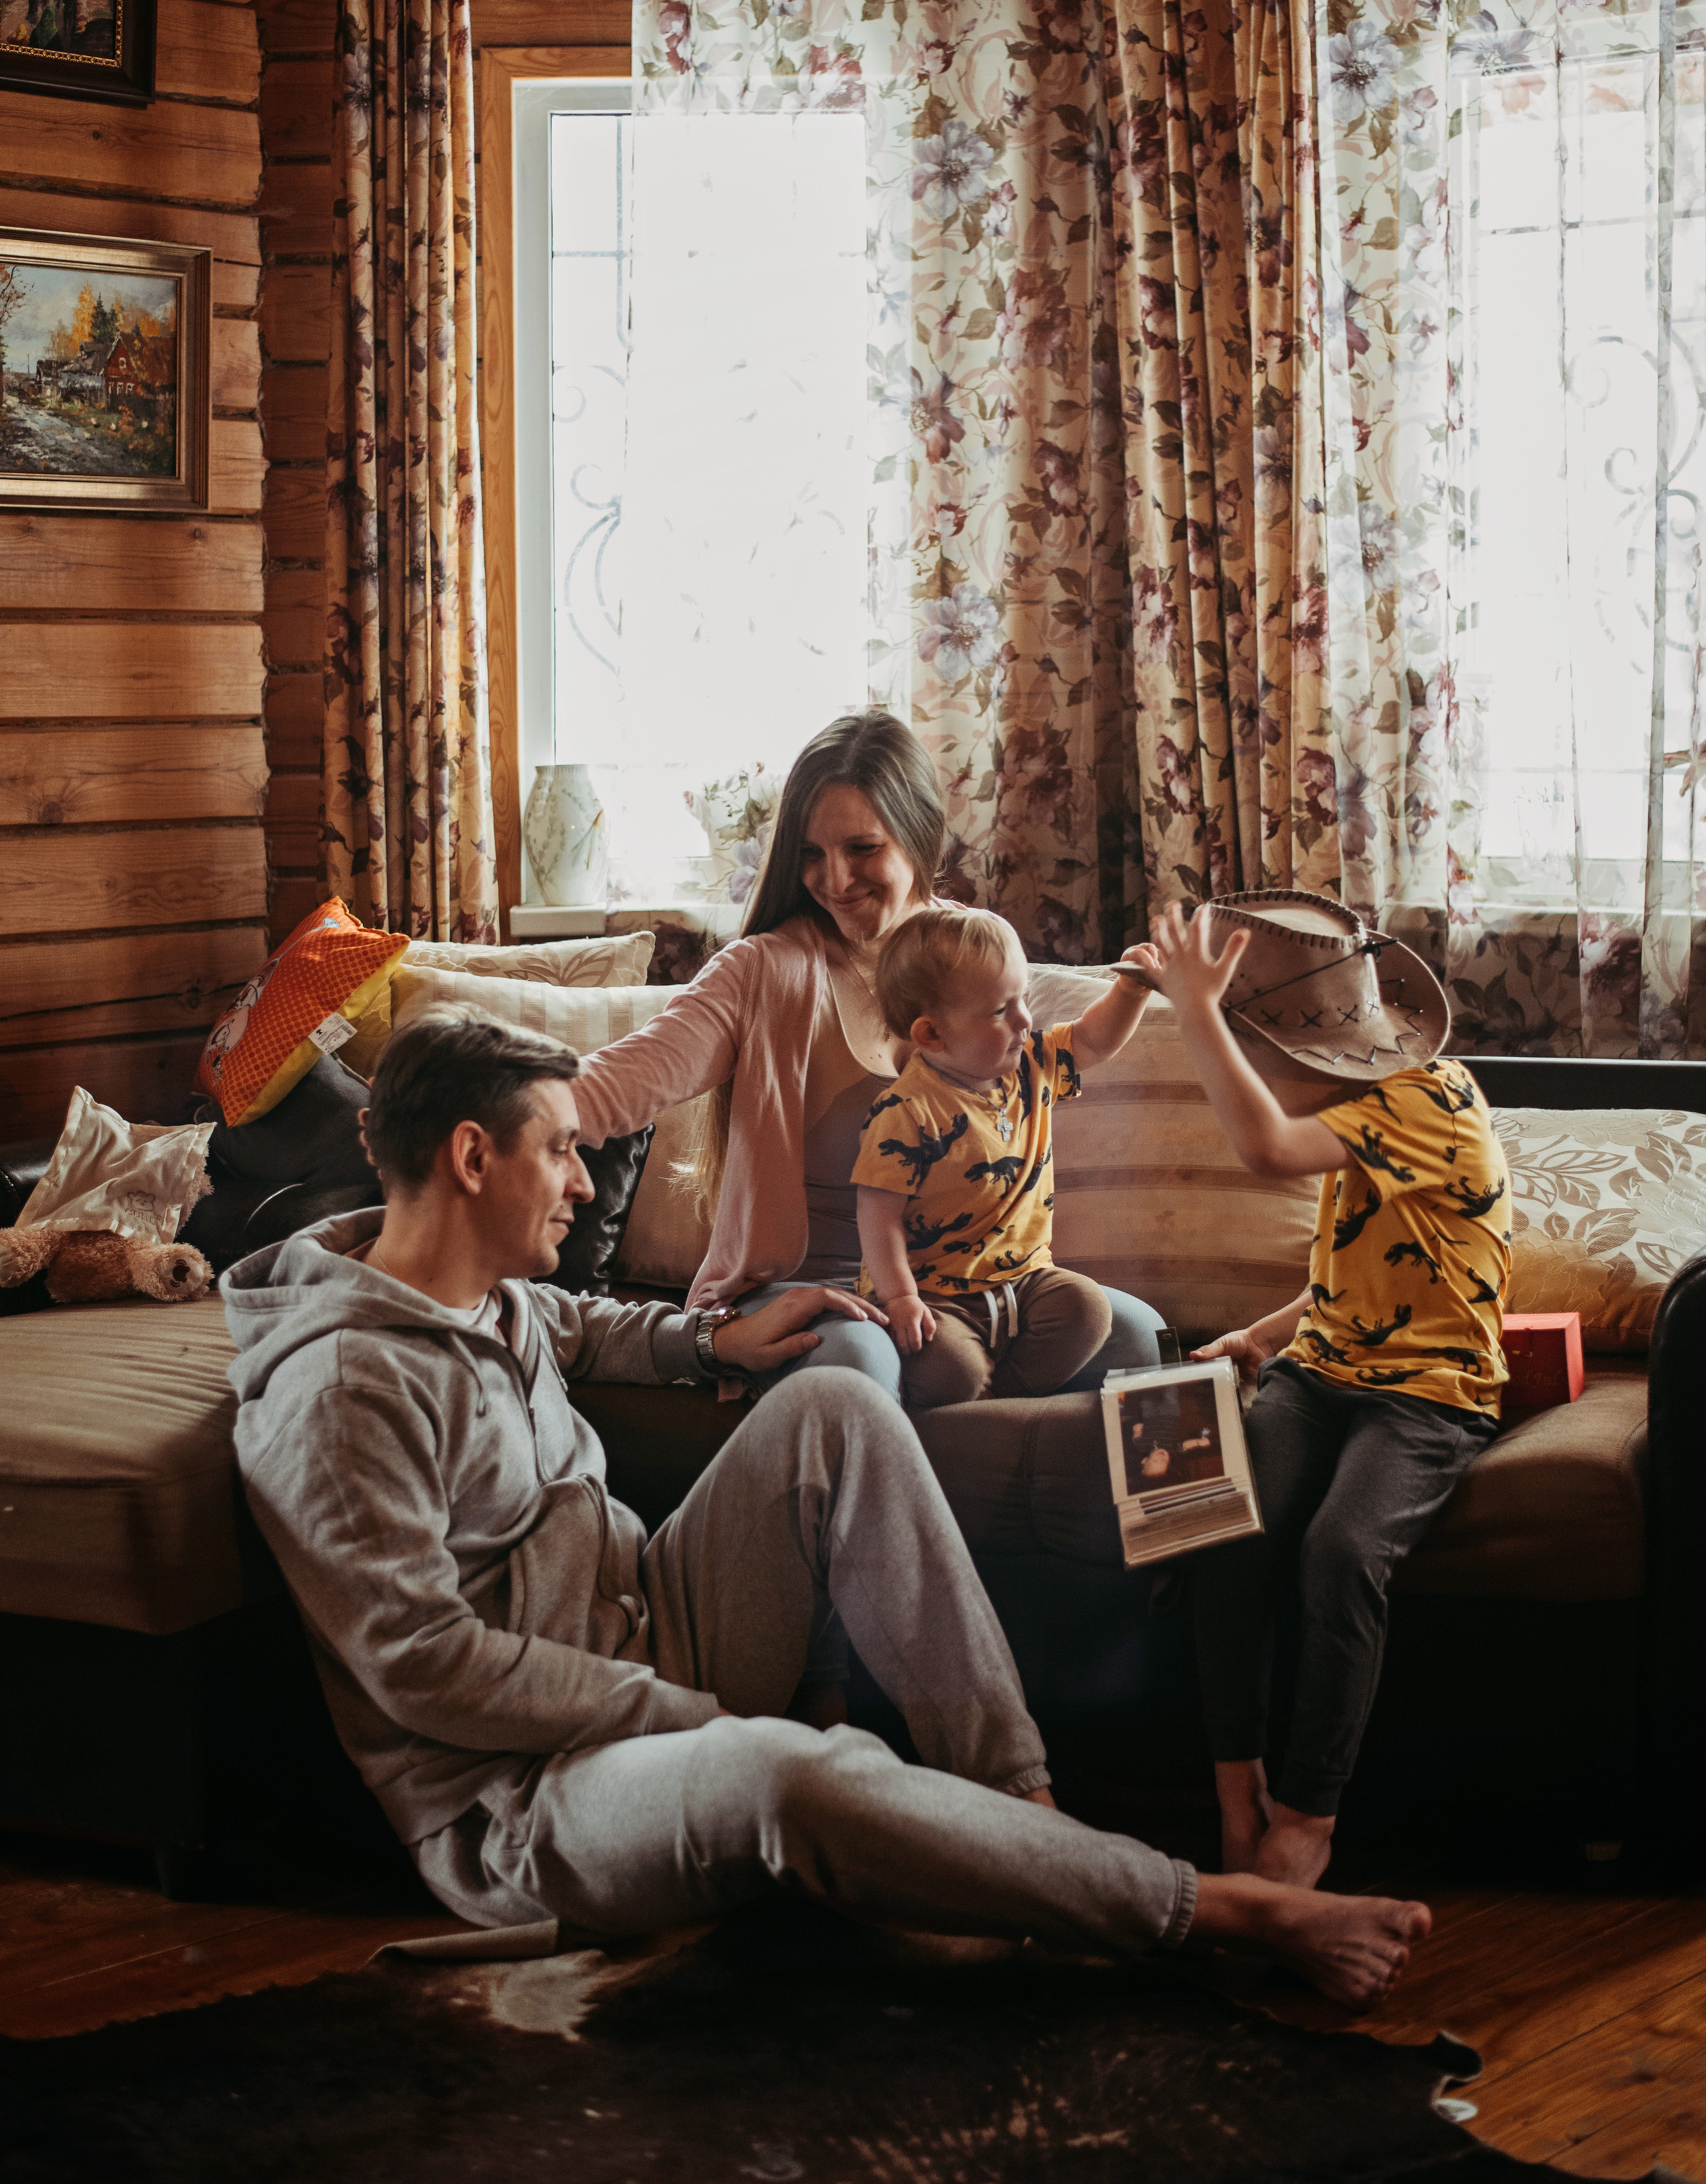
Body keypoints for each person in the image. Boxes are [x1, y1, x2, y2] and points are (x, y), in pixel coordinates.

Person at [223, 1006, 1432, 2003]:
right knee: (786, 1779)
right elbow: (422, 1666)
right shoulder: (340, 1387)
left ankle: (1030, 1821)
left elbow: (589, 1325)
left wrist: (713, 1339)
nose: (585, 1187)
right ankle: (1207, 1908)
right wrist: (673, 1712)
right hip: (532, 1801)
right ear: (473, 1159)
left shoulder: (484, 1292)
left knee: (839, 1413)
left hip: (652, 1630)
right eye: (559, 1152)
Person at [570, 710, 1166, 1404]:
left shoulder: (978, 950)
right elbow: (621, 1083)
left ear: (917, 837)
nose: (834, 878)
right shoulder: (761, 971)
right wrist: (491, 1118)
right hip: (809, 1294)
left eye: (860, 848)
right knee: (862, 1365)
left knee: (1137, 1337)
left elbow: (1057, 1056)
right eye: (812, 854)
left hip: (961, 1291)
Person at [1131, 890, 1510, 1893]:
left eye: (1261, 1054)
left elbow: (1261, 1147)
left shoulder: (1429, 1102)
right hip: (1321, 1367)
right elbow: (1360, 1271)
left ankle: (1308, 1814)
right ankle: (1234, 1785)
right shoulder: (1362, 1118)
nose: (1251, 1077)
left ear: (1323, 1054)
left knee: (1342, 1548)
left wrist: (1200, 1008)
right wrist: (1255, 1339)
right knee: (1221, 1520)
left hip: (1432, 1393)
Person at [852, 906, 1150, 1408]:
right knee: (950, 1369)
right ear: (931, 1035)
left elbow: (1093, 1039)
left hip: (1025, 1280)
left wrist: (1130, 991)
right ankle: (974, 1402)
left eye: (1023, 999)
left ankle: (1000, 1403)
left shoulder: (1032, 1064)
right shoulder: (906, 1110)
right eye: (999, 1011)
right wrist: (900, 1297)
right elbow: (877, 1216)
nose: (1025, 1019)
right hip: (936, 1298)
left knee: (1088, 1309)